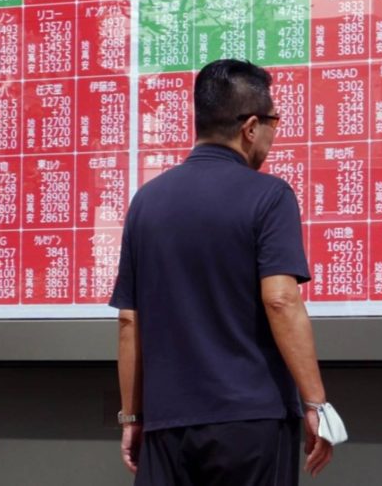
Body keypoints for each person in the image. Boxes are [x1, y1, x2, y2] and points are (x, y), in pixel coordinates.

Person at [111, 59, 335, 485]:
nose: (273, 134)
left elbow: (128, 321)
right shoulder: (269, 196)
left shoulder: (146, 202)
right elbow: (281, 299)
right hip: (251, 420)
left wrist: (132, 417)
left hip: (167, 425)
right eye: (273, 122)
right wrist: (316, 403)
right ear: (250, 127)